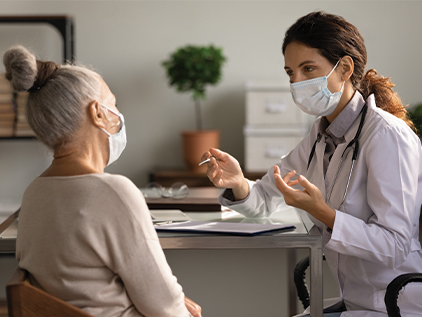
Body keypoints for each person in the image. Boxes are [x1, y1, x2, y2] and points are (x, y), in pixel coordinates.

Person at [201, 11, 422, 317]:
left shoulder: (387, 137)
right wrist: (238, 183)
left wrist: (323, 213)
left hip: (393, 304)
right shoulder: (320, 137)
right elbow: (265, 200)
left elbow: (395, 246)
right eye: (290, 72)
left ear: (344, 68)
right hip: (357, 300)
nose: (297, 82)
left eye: (308, 69)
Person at [4, 45, 201, 317]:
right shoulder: (112, 192)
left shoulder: (34, 193)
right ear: (98, 113)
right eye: (114, 103)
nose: (119, 114)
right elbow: (165, 306)